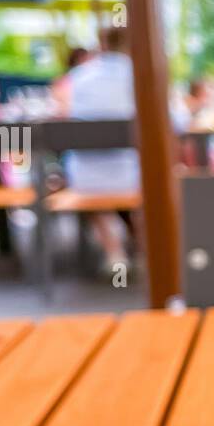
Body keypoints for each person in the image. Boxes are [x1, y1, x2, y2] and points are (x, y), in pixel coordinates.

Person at [58, 26, 139, 272]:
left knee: (92, 187)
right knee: (151, 180)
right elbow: (175, 121)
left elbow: (65, 115)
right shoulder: (141, 76)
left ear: (102, 45)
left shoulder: (78, 76)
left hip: (86, 178)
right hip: (133, 176)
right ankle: (151, 250)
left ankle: (115, 252)